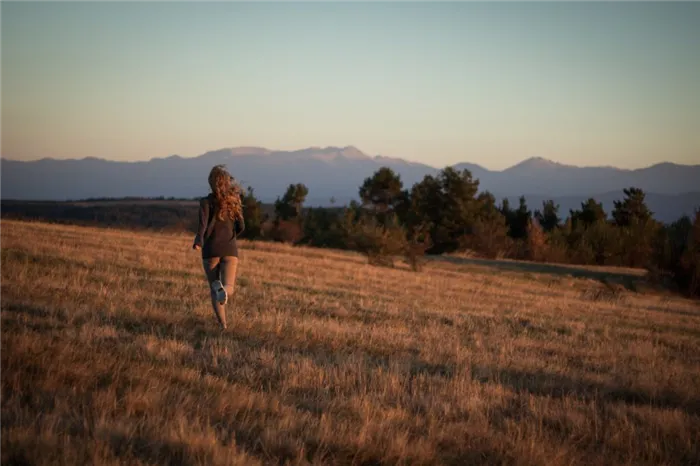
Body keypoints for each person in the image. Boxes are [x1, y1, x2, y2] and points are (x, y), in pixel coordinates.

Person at [192, 164, 245, 330]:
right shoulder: (234, 201)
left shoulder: (206, 202)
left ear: (211, 183)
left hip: (210, 250)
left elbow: (202, 225)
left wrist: (199, 241)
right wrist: (232, 236)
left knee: (214, 289)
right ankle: (225, 290)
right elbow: (241, 225)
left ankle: (223, 325)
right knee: (229, 287)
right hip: (230, 249)